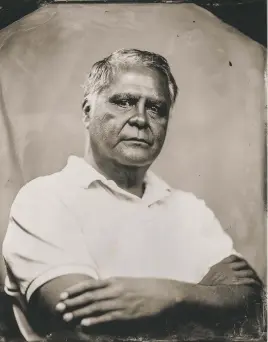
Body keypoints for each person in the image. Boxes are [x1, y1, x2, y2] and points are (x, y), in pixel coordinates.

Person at [2, 49, 263, 341]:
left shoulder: (190, 209)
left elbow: (251, 305)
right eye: (124, 102)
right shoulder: (44, 199)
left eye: (156, 108)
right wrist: (205, 298)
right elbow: (87, 326)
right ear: (87, 111)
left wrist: (169, 295)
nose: (140, 118)